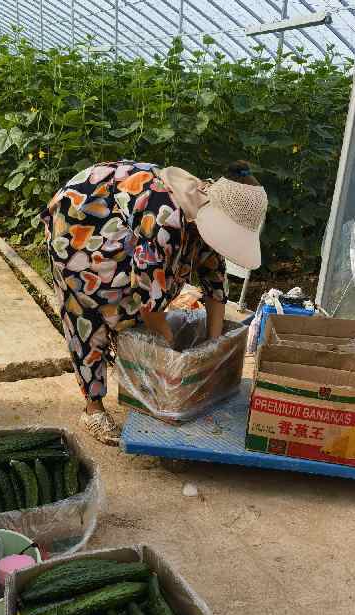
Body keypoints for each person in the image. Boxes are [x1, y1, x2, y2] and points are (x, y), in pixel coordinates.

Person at [41, 159, 267, 445]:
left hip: (125, 224)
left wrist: (213, 346)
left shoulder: (207, 212)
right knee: (91, 311)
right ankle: (93, 409)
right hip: (81, 223)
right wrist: (170, 347)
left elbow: (215, 283)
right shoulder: (166, 220)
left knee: (144, 305)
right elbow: (150, 305)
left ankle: (136, 378)